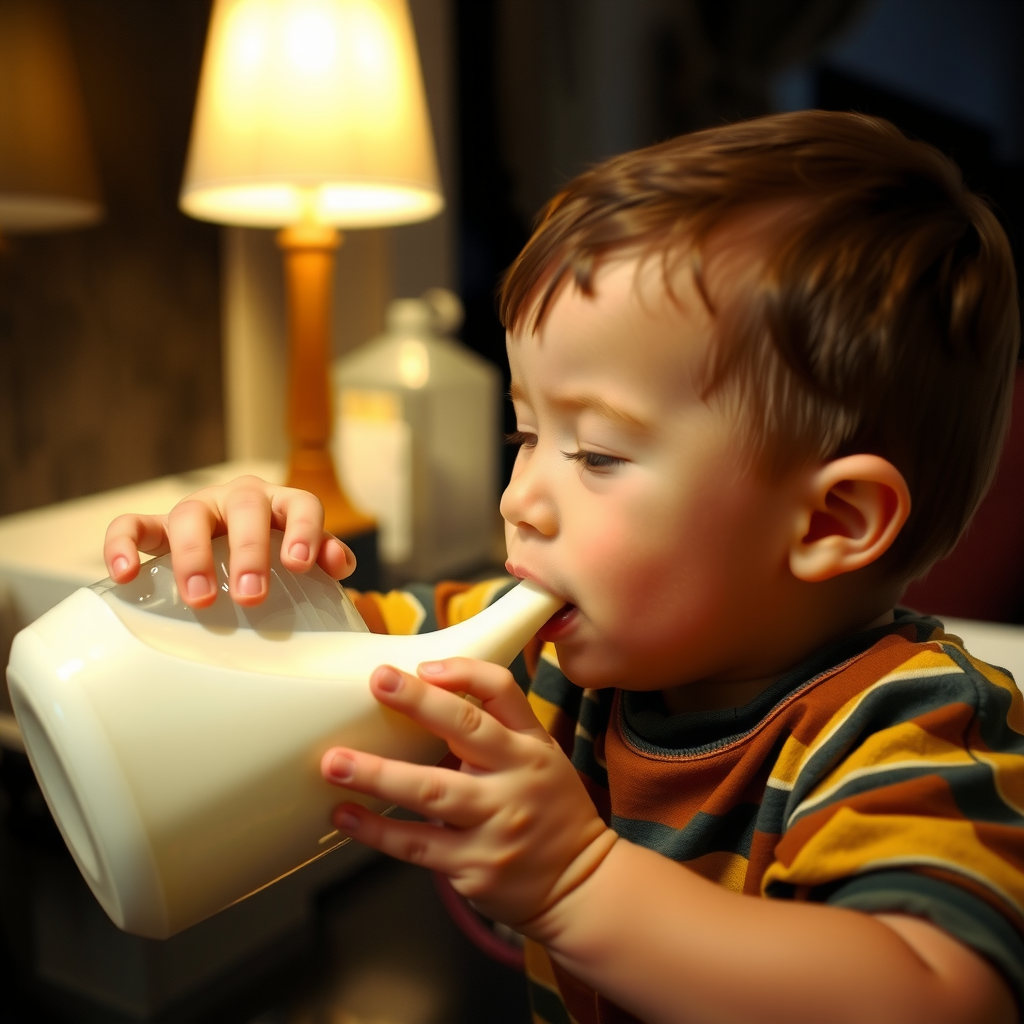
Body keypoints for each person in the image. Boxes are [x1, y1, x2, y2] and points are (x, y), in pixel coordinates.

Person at [104, 111, 1023, 1024]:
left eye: (598, 456)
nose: (520, 498)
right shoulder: (533, 648)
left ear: (829, 520)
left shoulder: (917, 728)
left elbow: (942, 995)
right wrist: (243, 576)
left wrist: (578, 882)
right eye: (527, 434)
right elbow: (330, 666)